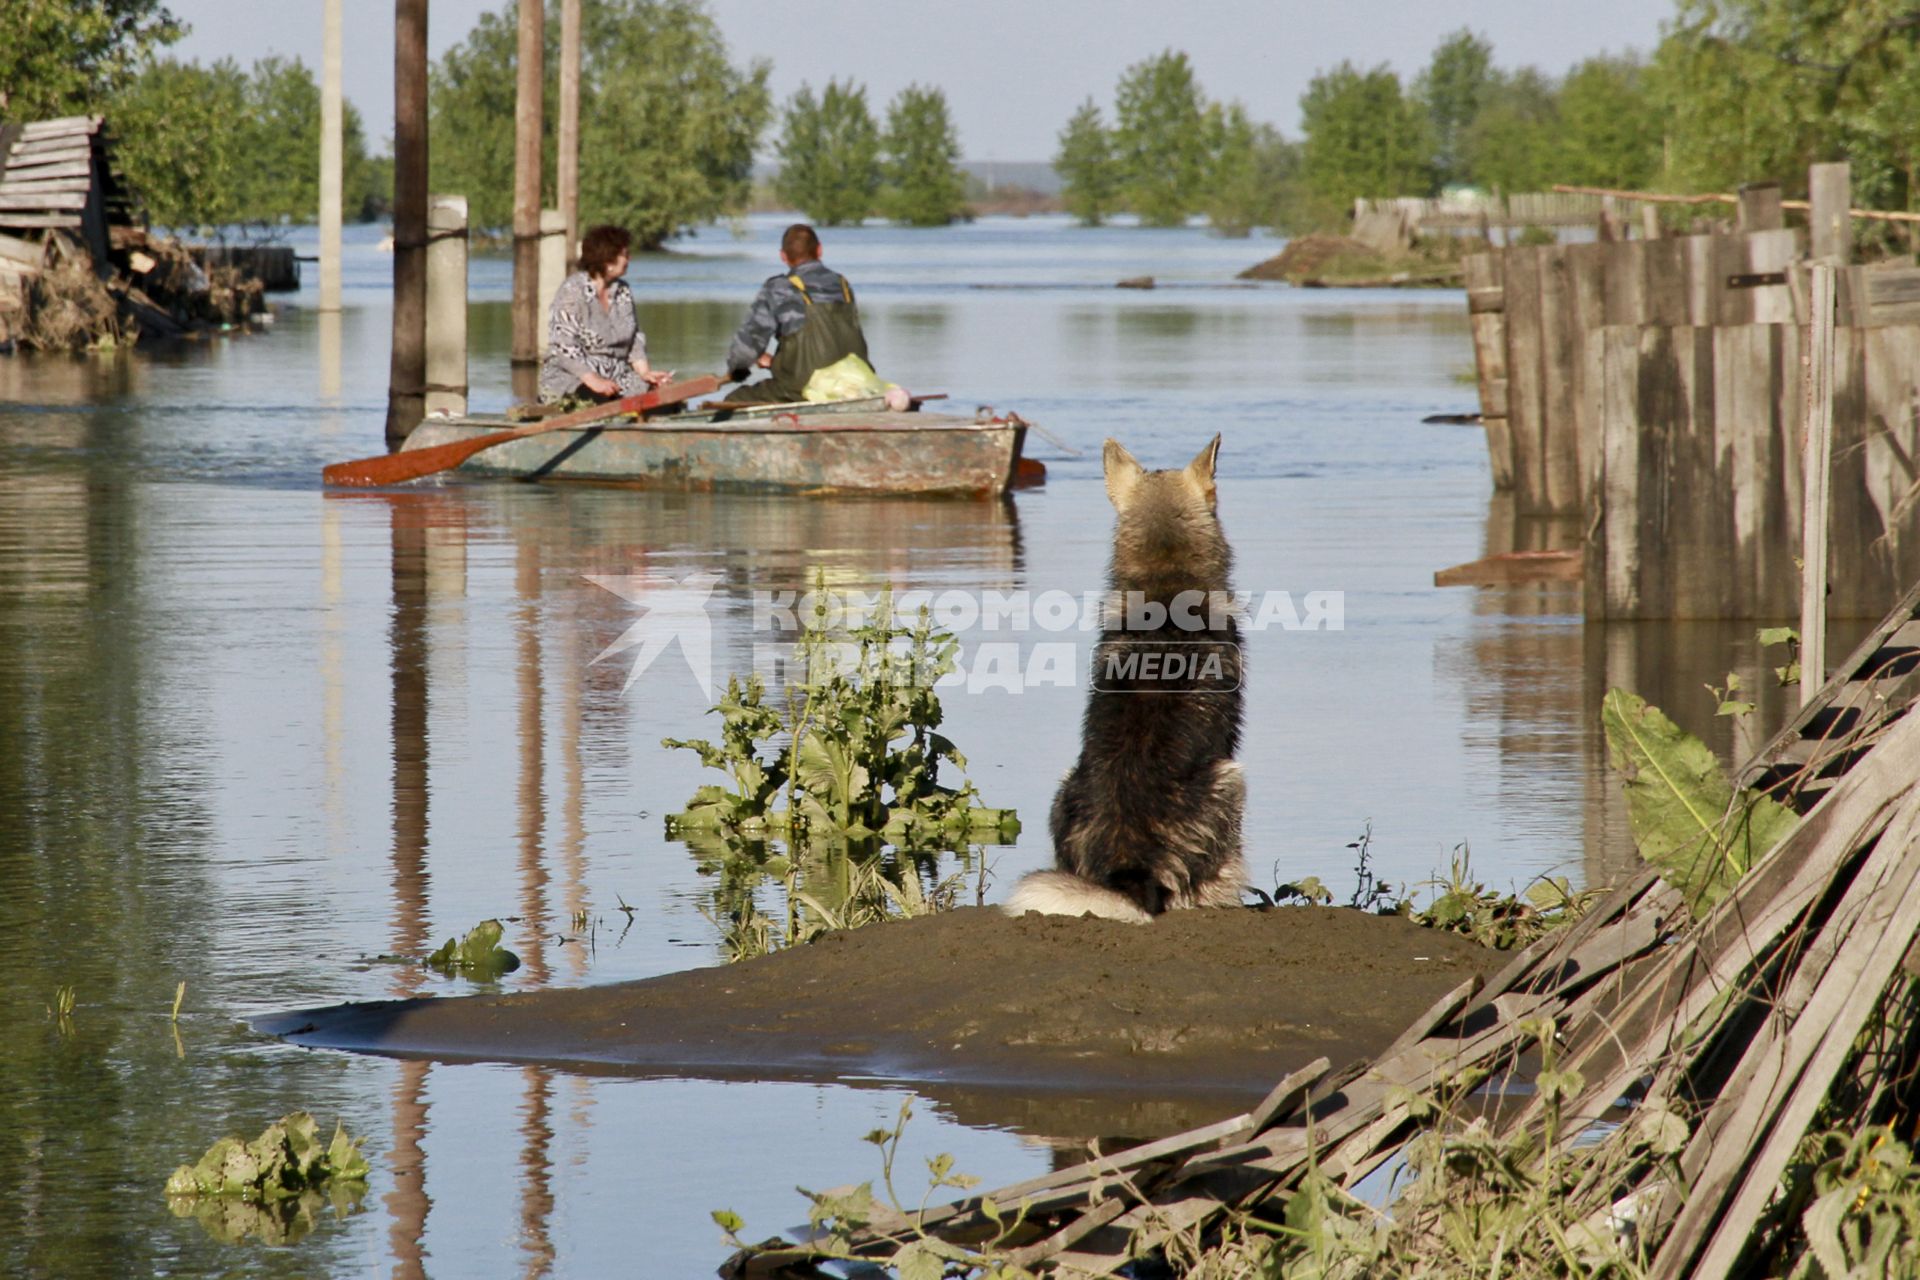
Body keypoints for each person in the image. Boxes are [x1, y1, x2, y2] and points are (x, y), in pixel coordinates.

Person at [722, 223, 870, 404]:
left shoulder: (778, 288)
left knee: (732, 400)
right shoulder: (842, 284)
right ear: (820, 250)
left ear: (783, 256)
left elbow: (747, 348)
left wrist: (738, 370)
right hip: (855, 384)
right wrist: (776, 362)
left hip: (800, 390)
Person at [538, 224, 673, 404]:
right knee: (600, 399)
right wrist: (593, 380)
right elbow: (564, 346)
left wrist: (645, 374)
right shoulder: (573, 291)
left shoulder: (623, 291)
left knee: (663, 397)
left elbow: (634, 339)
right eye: (625, 255)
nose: (629, 259)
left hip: (617, 376)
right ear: (608, 260)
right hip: (573, 378)